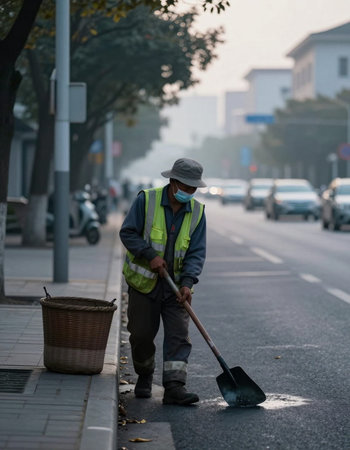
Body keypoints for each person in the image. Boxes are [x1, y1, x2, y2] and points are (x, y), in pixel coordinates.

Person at [119, 158, 206, 406]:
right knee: (141, 336)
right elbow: (127, 232)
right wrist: (150, 255)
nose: (189, 192)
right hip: (144, 285)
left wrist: (188, 283)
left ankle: (174, 387)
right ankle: (145, 375)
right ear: (172, 182)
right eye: (185, 187)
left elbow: (196, 253)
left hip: (177, 288)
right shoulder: (146, 200)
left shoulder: (198, 213)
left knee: (179, 337)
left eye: (193, 189)